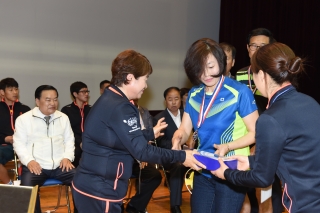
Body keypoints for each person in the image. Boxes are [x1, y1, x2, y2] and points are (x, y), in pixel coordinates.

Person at [72, 49, 204, 213]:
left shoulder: (110, 98)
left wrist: (148, 134)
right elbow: (141, 151)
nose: (146, 85)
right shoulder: (122, 106)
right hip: (101, 191)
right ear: (130, 78)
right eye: (145, 79)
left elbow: (115, 137)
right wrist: (182, 156)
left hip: (90, 186)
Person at [212, 42, 320, 213]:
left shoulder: (270, 118)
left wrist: (226, 173)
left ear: (261, 75)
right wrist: (249, 161)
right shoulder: (310, 103)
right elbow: (293, 154)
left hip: (305, 205)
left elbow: (261, 178)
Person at [172, 38, 259, 213]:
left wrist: (228, 146)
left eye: (211, 67)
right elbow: (185, 128)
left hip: (231, 170)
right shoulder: (194, 94)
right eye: (200, 69)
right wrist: (177, 139)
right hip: (203, 169)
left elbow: (256, 132)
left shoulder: (239, 92)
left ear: (221, 62)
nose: (206, 74)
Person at [236, 28, 282, 213]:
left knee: (268, 192)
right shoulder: (239, 75)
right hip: (245, 139)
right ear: (248, 49)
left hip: (268, 139)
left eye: (263, 46)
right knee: (247, 193)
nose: (257, 50)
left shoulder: (278, 75)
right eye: (254, 46)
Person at [13, 85, 77, 213]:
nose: (53, 103)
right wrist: (29, 161)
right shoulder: (24, 119)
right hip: (36, 166)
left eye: (55, 99)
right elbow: (18, 144)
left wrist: (67, 157)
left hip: (60, 165)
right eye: (48, 100)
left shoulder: (63, 117)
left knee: (82, 181)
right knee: (27, 189)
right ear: (37, 101)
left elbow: (70, 140)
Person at [154, 87, 189, 213]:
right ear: (165, 101)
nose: (174, 102)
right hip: (169, 156)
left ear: (181, 100)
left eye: (176, 99)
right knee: (178, 165)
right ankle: (175, 205)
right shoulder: (160, 118)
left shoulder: (187, 115)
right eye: (170, 99)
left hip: (189, 152)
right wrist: (178, 144)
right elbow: (160, 142)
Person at [125, 99, 162, 213]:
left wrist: (142, 156)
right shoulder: (118, 110)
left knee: (154, 176)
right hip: (120, 158)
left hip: (137, 157)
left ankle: (135, 205)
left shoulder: (137, 110)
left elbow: (140, 137)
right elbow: (126, 140)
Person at [0, 78, 30, 184]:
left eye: (16, 89)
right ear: (2, 92)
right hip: (5, 146)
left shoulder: (25, 109)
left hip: (25, 145)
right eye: (11, 90)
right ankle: (10, 185)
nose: (15, 92)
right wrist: (5, 138)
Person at [61, 81, 92, 167]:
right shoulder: (67, 110)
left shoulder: (92, 109)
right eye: (83, 92)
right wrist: (80, 141)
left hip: (89, 140)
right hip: (74, 142)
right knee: (76, 151)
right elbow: (67, 130)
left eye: (87, 91)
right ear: (75, 94)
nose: (86, 94)